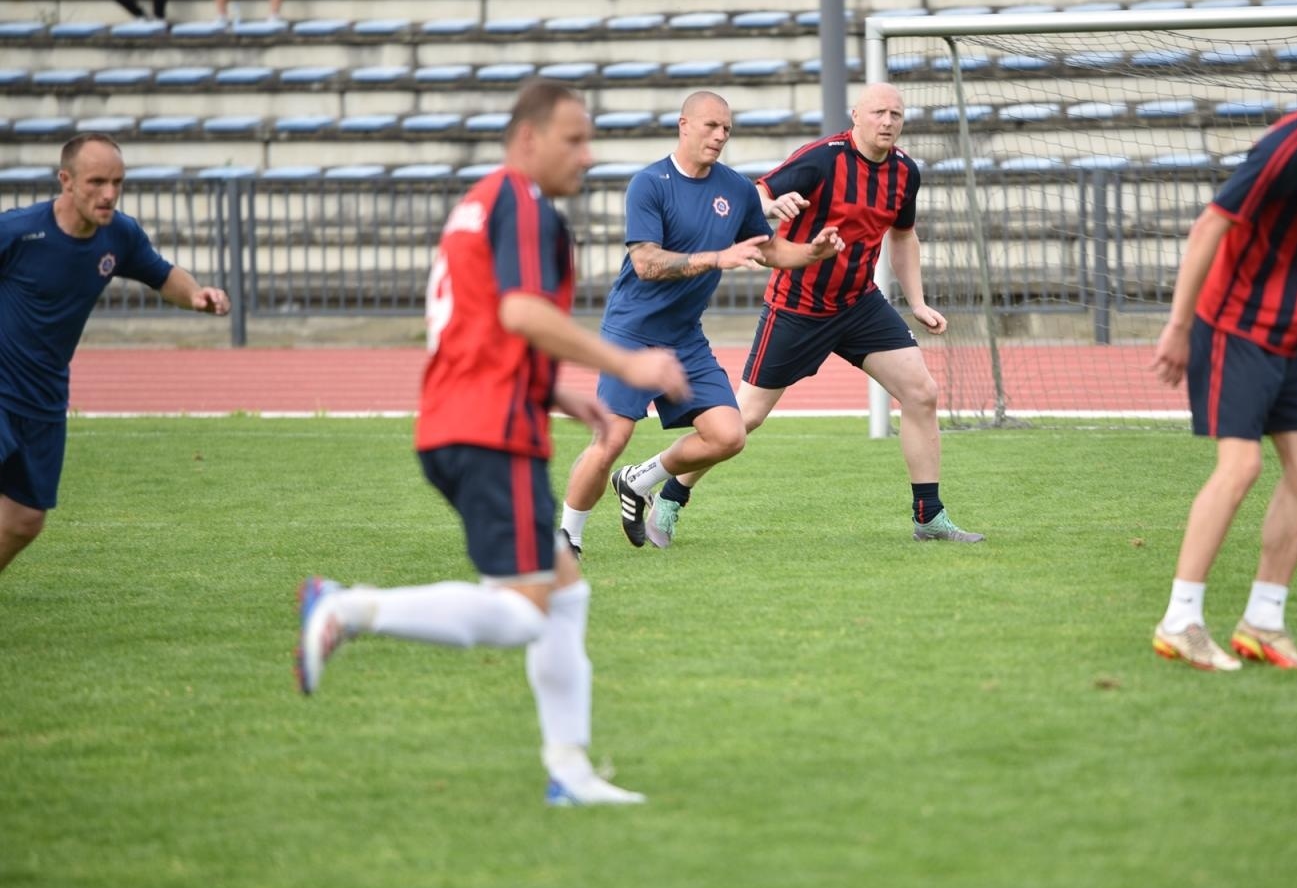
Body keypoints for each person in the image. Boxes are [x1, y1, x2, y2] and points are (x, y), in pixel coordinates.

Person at [295, 82, 689, 807]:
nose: (588, 154)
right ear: (528, 138)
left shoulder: (480, 202)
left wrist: (556, 393)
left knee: (565, 598)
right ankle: (347, 608)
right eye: (574, 139)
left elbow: (484, 325)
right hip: (488, 431)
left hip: (462, 419)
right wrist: (626, 366)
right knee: (522, 610)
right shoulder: (525, 205)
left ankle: (569, 772)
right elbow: (518, 309)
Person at [614, 82, 985, 544]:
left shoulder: (906, 171)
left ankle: (929, 516)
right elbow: (757, 195)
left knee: (922, 392)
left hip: (859, 303)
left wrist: (917, 302)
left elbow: (904, 235)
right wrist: (772, 205)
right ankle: (667, 495)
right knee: (741, 421)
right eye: (878, 113)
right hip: (797, 307)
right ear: (856, 115)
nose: (887, 122)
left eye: (895, 114)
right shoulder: (823, 158)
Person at [1148, 22, 1297, 671]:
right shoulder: (1290, 146)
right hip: (1233, 325)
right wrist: (1179, 326)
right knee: (1242, 467)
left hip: (1287, 332)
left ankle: (1263, 620)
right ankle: (1181, 620)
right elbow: (1208, 227)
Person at [559, 91, 842, 554]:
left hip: (684, 339)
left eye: (727, 129)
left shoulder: (734, 188)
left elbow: (766, 249)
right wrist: (719, 257)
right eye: (711, 126)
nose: (720, 136)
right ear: (683, 125)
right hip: (632, 333)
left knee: (729, 435)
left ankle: (638, 480)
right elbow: (647, 262)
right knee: (612, 437)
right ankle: (567, 536)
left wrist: (812, 252)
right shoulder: (649, 183)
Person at [0, 133, 231, 575]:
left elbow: (162, 275)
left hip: (44, 395)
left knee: (26, 520)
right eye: (97, 182)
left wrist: (197, 294)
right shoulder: (18, 232)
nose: (108, 194)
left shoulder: (118, 236)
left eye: (117, 182)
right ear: (66, 181)